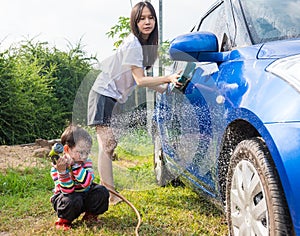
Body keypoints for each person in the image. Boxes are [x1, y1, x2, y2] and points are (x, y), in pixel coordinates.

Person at [87, 1, 181, 205]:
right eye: (142, 19)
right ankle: (109, 194)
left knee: (110, 145)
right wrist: (168, 78)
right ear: (135, 22)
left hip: (113, 97)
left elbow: (144, 78)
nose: (147, 22)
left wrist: (167, 88)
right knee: (107, 145)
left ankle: (106, 191)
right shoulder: (133, 44)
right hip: (103, 94)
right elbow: (140, 81)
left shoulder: (144, 46)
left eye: (150, 18)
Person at [50, 125, 109, 230]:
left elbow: (87, 182)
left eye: (87, 152)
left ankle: (90, 215)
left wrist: (76, 166)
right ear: (67, 149)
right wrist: (63, 172)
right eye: (81, 152)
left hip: (84, 193)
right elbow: (67, 191)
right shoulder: (57, 168)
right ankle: (64, 221)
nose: (85, 156)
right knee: (71, 200)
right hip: (68, 197)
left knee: (101, 191)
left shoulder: (86, 162)